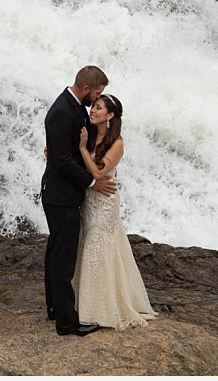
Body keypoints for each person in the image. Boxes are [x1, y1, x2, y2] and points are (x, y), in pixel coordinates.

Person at [41, 66, 117, 337]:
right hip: (61, 195)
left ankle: (54, 308)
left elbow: (64, 149)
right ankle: (67, 322)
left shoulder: (74, 107)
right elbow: (62, 161)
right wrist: (93, 182)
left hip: (60, 193)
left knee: (56, 252)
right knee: (63, 258)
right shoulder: (63, 111)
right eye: (97, 94)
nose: (97, 99)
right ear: (86, 90)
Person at [74, 93, 156, 330]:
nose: (93, 110)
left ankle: (100, 309)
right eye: (94, 107)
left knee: (97, 246)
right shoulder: (89, 135)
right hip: (90, 199)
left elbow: (99, 172)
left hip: (105, 201)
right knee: (89, 245)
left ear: (110, 116)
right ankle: (86, 302)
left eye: (98, 108)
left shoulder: (117, 143)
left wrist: (81, 149)